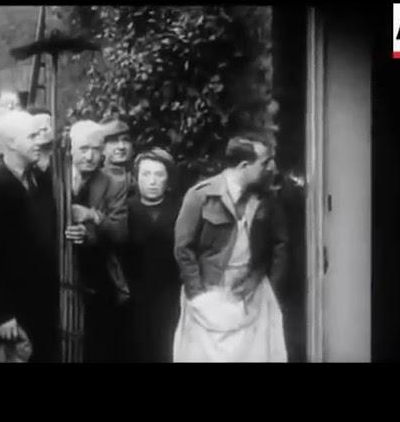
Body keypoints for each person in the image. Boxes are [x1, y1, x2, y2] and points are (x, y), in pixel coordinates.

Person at [172, 132, 289, 362]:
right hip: (209, 295)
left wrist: (266, 286)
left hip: (252, 297)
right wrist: (198, 296)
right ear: (244, 165)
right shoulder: (201, 196)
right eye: (265, 162)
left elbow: (279, 245)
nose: (272, 167)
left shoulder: (266, 199)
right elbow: (183, 248)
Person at [0, 110, 59, 362]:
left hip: (41, 306)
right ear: (11, 143)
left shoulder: (40, 182)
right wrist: (2, 314)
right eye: (31, 136)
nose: (38, 142)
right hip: (13, 315)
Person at [64, 120, 129, 362]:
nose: (90, 156)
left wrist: (92, 217)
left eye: (96, 149)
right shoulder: (55, 177)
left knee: (97, 346)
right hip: (58, 274)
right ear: (71, 148)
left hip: (96, 274)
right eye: (83, 149)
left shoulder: (112, 183)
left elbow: (120, 233)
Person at [124, 148, 182, 362]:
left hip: (171, 295)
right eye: (146, 174)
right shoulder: (126, 208)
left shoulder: (180, 208)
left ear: (168, 180)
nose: (152, 181)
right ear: (136, 178)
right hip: (133, 296)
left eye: (159, 175)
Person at [99, 116, 135, 197]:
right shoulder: (97, 180)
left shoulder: (140, 175)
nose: (121, 146)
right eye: (113, 141)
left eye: (126, 140)